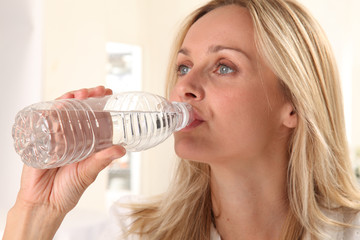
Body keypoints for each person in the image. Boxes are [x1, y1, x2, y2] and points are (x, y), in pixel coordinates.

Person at [3, 0, 360, 239]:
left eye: (224, 66)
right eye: (183, 67)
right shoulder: (133, 231)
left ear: (293, 104)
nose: (184, 86)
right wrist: (36, 212)